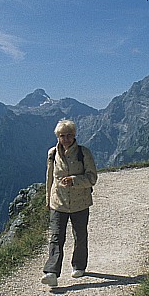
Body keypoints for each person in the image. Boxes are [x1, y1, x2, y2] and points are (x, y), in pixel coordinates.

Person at [42, 119, 98, 287]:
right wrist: (48, 200)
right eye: (62, 136)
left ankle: (79, 266)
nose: (66, 139)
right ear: (57, 137)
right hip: (58, 202)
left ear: (74, 136)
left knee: (80, 235)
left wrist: (74, 180)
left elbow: (92, 178)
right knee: (56, 237)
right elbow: (49, 178)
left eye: (69, 135)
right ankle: (51, 272)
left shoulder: (84, 153)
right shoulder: (52, 153)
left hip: (80, 202)